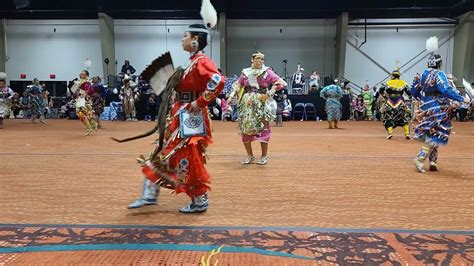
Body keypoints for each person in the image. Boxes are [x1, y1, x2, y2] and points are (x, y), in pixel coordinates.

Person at [126, 5, 225, 213]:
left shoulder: (202, 62)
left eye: (185, 36)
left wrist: (198, 103)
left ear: (196, 40)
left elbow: (218, 81)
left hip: (191, 117)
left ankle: (199, 199)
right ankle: (150, 194)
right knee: (166, 151)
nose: (182, 39)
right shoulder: (192, 63)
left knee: (186, 156)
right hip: (182, 114)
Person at [411, 37, 470, 173]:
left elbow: (413, 90)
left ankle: (433, 162)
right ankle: (420, 159)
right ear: (439, 64)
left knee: (432, 133)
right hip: (438, 108)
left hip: (426, 107)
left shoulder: (422, 75)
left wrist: (423, 99)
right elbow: (445, 89)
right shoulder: (439, 74)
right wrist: (461, 98)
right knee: (437, 134)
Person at [229, 51, 287, 165]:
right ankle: (250, 156)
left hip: (261, 102)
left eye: (262, 59)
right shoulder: (245, 72)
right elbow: (238, 85)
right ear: (252, 59)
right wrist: (231, 96)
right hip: (246, 103)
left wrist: (269, 94)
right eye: (258, 59)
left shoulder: (267, 72)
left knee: (263, 128)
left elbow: (280, 83)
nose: (260, 61)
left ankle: (264, 156)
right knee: (245, 129)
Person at [379, 70, 412, 140]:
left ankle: (390, 133)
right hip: (400, 101)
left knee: (387, 116)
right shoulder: (404, 83)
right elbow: (409, 92)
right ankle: (407, 134)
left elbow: (380, 90)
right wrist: (410, 97)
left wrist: (385, 96)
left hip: (390, 101)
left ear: (393, 76)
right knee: (403, 117)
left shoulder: (387, 83)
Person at [73, 70, 97, 135]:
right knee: (80, 114)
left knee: (87, 113)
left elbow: (89, 90)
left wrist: (84, 94)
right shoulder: (78, 82)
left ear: (86, 76)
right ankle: (90, 125)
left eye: (83, 74)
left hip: (85, 99)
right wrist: (76, 89)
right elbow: (74, 91)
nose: (81, 74)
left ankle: (91, 125)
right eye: (81, 73)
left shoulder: (87, 82)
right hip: (79, 99)